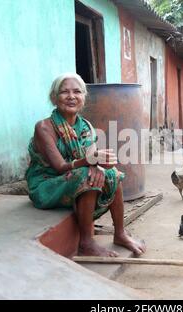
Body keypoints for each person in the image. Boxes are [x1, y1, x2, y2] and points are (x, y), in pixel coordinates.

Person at [26, 73, 146, 257]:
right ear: (54, 98)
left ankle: (120, 233)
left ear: (84, 97)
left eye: (77, 92)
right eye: (64, 92)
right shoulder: (44, 127)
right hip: (47, 184)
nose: (71, 96)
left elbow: (91, 159)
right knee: (86, 176)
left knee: (113, 174)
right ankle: (86, 242)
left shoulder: (85, 127)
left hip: (72, 177)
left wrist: (101, 164)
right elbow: (60, 166)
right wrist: (90, 162)